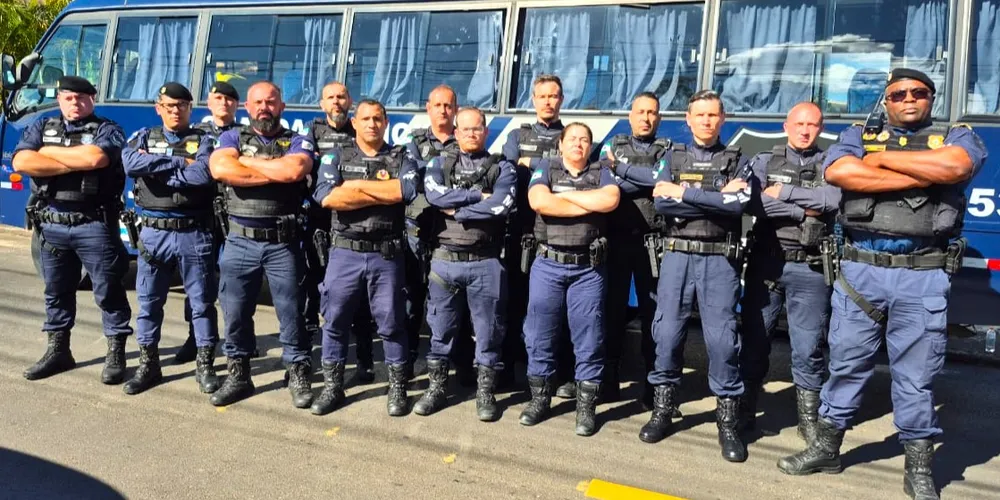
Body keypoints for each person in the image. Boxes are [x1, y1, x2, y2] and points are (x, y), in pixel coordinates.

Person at [778, 69, 985, 500]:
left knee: (916, 377)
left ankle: (919, 468)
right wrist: (925, 176)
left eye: (918, 92)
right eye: (898, 94)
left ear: (930, 98)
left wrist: (879, 161)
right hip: (861, 272)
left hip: (921, 274)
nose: (909, 99)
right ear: (886, 101)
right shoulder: (858, 134)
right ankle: (827, 448)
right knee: (846, 364)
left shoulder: (956, 135)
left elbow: (956, 165)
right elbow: (842, 173)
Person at [639, 90, 753, 463]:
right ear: (688, 120)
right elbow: (661, 202)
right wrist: (716, 196)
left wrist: (684, 192)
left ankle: (727, 423)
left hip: (719, 260)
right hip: (677, 257)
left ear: (723, 119)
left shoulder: (738, 160)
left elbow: (737, 207)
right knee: (667, 334)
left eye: (713, 115)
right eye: (699, 115)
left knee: (722, 342)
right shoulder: (671, 158)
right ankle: (663, 410)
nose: (706, 121)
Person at [14, 75, 133, 384]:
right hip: (51, 223)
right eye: (68, 97)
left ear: (92, 99)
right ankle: (58, 351)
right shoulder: (42, 125)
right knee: (56, 291)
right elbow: (21, 161)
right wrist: (73, 160)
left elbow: (95, 158)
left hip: (93, 223)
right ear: (59, 99)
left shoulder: (107, 129)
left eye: (81, 98)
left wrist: (47, 154)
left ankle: (116, 352)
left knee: (108, 290)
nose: (75, 103)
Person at [208, 81, 315, 409]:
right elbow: (220, 168)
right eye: (257, 102)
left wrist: (246, 164)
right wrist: (274, 171)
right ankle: (239, 375)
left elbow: (294, 170)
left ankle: (297, 372)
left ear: (282, 106)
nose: (264, 108)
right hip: (239, 241)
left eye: (270, 102)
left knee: (292, 313)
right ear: (247, 107)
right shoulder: (232, 137)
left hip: (283, 242)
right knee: (235, 312)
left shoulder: (297, 140)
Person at [310, 99, 418, 417]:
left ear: (386, 123)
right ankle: (333, 387)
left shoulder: (402, 156)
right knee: (335, 321)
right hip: (345, 253)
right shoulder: (336, 155)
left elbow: (404, 192)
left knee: (392, 323)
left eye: (378, 119)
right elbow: (327, 197)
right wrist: (380, 191)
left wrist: (354, 187)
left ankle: (397, 389)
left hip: (386, 256)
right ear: (354, 123)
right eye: (366, 118)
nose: (372, 124)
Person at [739, 102, 838, 440]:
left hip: (810, 268)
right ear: (786, 126)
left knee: (808, 349)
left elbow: (832, 200)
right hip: (766, 264)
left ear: (820, 128)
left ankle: (808, 421)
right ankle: (745, 411)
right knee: (754, 342)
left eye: (812, 124)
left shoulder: (831, 162)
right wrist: (801, 212)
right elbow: (753, 201)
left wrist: (784, 193)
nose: (805, 130)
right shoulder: (765, 161)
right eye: (799, 123)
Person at [519, 122, 620, 436]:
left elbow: (610, 200)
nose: (578, 143)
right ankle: (540, 400)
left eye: (585, 139)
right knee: (540, 335)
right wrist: (586, 201)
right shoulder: (545, 167)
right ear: (560, 144)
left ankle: (586, 409)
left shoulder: (602, 171)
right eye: (572, 138)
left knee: (589, 338)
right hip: (548, 264)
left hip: (588, 269)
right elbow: (539, 202)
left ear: (590, 146)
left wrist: (563, 201)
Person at [416, 106, 517, 421]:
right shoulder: (439, 162)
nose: (472, 134)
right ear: (456, 132)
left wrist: (457, 210)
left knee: (489, 333)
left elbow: (500, 206)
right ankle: (436, 389)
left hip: (485, 263)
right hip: (444, 261)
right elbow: (435, 197)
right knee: (440, 331)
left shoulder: (503, 167)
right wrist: (476, 197)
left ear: (486, 131)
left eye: (477, 128)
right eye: (466, 129)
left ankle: (485, 394)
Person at [121, 82, 221, 395]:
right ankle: (149, 365)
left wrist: (154, 168)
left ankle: (205, 365)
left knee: (202, 303)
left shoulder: (205, 140)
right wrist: (178, 162)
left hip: (194, 233)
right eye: (169, 106)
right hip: (154, 234)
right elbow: (130, 164)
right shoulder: (143, 137)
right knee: (149, 303)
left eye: (181, 106)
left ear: (191, 108)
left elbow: (201, 175)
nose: (175, 111)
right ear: (159, 108)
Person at [597, 91, 671, 407]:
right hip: (616, 243)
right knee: (611, 312)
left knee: (654, 316)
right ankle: (608, 381)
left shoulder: (668, 149)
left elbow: (662, 180)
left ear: (659, 118)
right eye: (640, 112)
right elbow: (607, 184)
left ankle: (653, 386)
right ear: (630, 116)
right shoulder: (612, 146)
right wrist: (648, 182)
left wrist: (624, 173)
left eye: (652, 112)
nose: (646, 118)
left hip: (652, 245)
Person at [501, 74, 572, 396]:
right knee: (514, 303)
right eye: (542, 96)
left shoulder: (571, 136)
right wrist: (552, 163)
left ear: (561, 100)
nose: (548, 101)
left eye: (554, 96)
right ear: (533, 99)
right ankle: (509, 370)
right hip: (521, 231)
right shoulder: (517, 135)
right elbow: (508, 168)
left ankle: (561, 373)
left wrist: (531, 161)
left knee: (558, 308)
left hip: (557, 233)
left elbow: (575, 168)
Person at [303, 81, 377, 383]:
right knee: (311, 293)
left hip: (351, 222)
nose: (336, 102)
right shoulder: (311, 132)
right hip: (318, 223)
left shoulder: (359, 129)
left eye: (342, 97)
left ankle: (364, 361)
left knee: (359, 297)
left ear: (350, 102)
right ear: (322, 104)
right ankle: (306, 363)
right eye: (331, 97)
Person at [175, 80, 241, 365]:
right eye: (218, 98)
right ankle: (196, 338)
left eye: (229, 99)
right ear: (209, 102)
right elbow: (186, 165)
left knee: (236, 280)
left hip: (234, 213)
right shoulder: (195, 134)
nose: (224, 103)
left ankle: (240, 340)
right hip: (200, 213)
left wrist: (204, 165)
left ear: (236, 105)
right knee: (198, 280)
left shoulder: (244, 134)